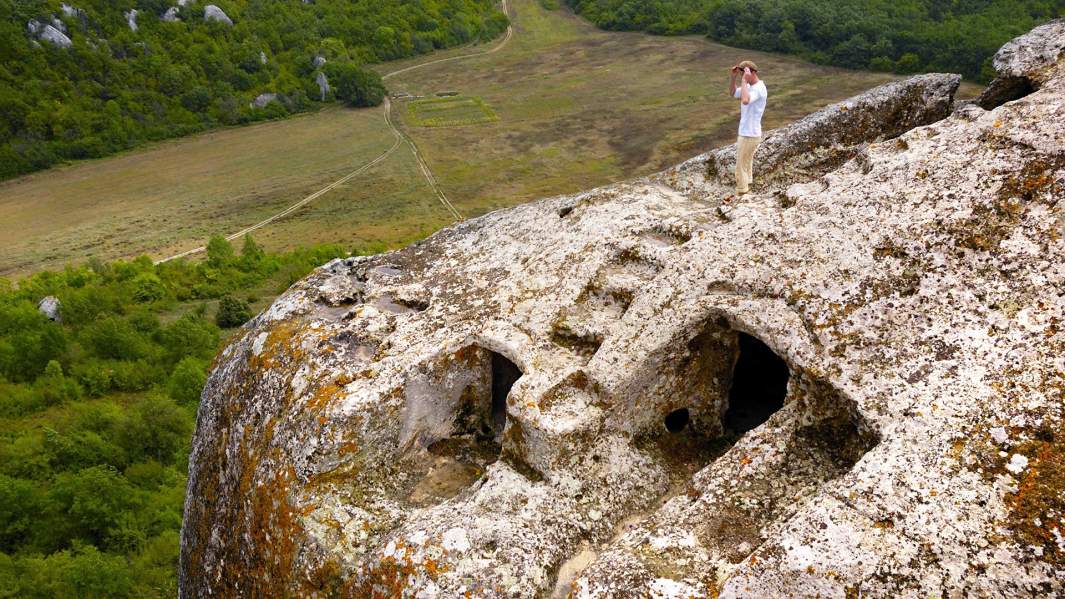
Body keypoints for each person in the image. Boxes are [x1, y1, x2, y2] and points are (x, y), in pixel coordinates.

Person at [728, 60, 767, 196]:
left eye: (745, 72)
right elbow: (733, 93)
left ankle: (742, 193)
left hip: (750, 135)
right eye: (741, 73)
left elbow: (745, 100)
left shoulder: (759, 88)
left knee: (740, 167)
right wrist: (733, 78)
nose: (742, 76)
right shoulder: (749, 87)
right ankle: (747, 185)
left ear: (753, 72)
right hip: (747, 132)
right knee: (746, 163)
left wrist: (744, 82)